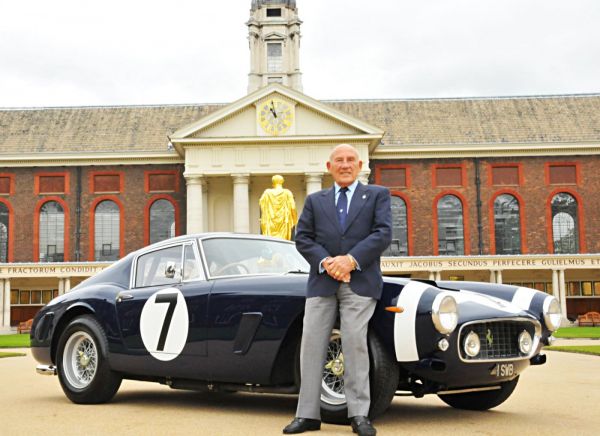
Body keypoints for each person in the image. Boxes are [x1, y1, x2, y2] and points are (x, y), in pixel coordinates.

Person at [283, 144, 392, 436]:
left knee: (354, 343)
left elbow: (383, 233)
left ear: (360, 165)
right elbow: (303, 238)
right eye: (339, 160)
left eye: (350, 160)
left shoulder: (378, 195)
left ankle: (359, 415)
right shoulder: (315, 200)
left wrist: (350, 260)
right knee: (311, 345)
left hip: (360, 281)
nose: (345, 165)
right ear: (329, 167)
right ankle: (307, 415)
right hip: (322, 281)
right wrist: (327, 262)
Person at [259, 174, 298, 241]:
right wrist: (295, 220)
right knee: (284, 242)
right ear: (282, 181)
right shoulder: (287, 193)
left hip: (270, 224)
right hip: (284, 224)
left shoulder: (267, 193)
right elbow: (293, 207)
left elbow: (261, 204)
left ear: (273, 182)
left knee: (271, 241)